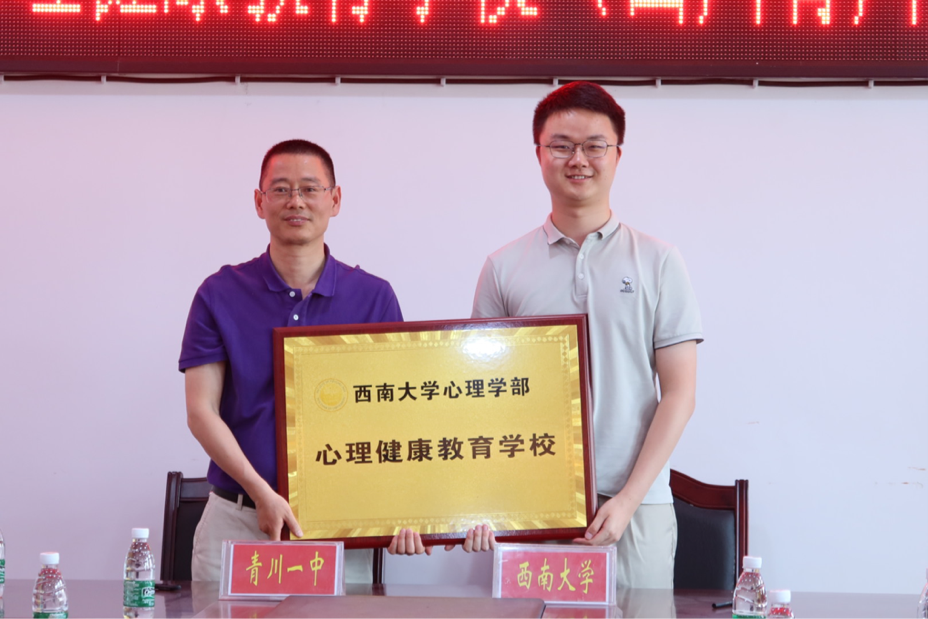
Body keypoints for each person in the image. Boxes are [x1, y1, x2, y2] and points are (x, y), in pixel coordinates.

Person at [470, 82, 703, 588]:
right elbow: (485, 399)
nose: (578, 159)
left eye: (595, 145)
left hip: (637, 504)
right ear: (539, 154)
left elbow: (679, 395)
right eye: (561, 145)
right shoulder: (503, 268)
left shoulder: (659, 261)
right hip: (534, 506)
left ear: (617, 155)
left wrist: (627, 500)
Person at [180, 139, 412, 582]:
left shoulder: (374, 297)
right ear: (259, 201)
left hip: (339, 522)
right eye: (281, 189)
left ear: (335, 200)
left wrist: (407, 506)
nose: (296, 201)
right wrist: (261, 492)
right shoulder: (219, 293)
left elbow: (393, 415)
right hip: (239, 519)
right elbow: (200, 410)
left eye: (310, 188)